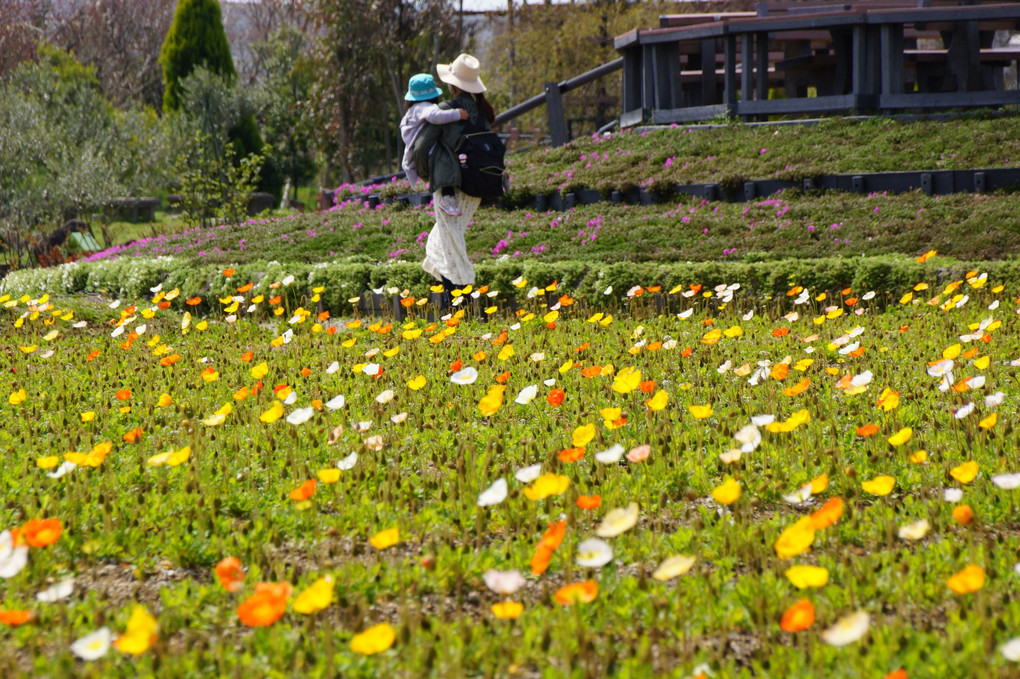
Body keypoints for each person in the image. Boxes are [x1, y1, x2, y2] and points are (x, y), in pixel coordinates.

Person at [418, 53, 498, 307]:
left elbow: (421, 147)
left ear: (452, 85)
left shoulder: (445, 111)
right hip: (476, 188)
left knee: (451, 247)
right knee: (439, 243)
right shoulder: (482, 114)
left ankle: (461, 306)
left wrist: (425, 175)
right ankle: (453, 304)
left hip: (450, 188)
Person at [399, 73, 468, 216]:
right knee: (445, 159)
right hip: (426, 150)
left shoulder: (412, 111)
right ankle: (447, 199)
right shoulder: (425, 107)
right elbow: (436, 117)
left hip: (412, 152)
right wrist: (457, 114)